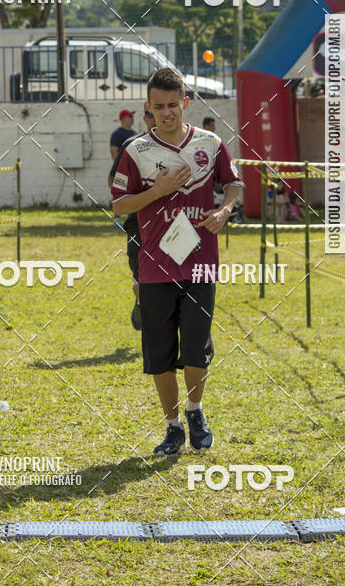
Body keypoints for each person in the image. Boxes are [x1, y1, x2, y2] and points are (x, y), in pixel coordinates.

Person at [111, 67, 242, 456]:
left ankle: (195, 410)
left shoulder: (211, 142)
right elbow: (119, 206)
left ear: (185, 103)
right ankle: (172, 427)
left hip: (200, 262)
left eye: (173, 105)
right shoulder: (135, 151)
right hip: (154, 267)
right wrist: (161, 189)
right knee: (160, 352)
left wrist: (225, 209)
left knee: (197, 347)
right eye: (159, 107)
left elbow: (233, 182)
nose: (167, 113)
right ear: (147, 109)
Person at [108, 108, 156, 331]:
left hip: (174, 226)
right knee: (142, 280)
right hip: (138, 225)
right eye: (153, 114)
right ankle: (141, 300)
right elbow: (113, 180)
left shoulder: (182, 147)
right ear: (146, 118)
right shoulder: (132, 145)